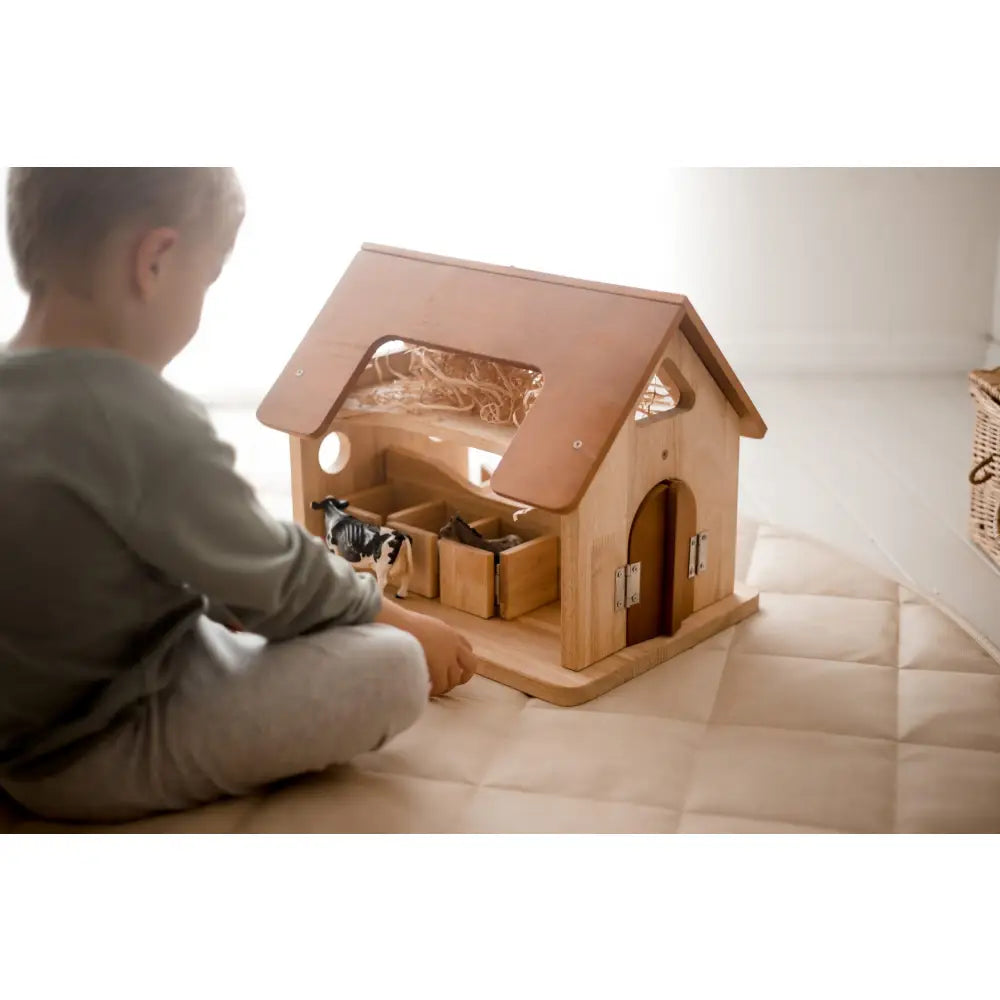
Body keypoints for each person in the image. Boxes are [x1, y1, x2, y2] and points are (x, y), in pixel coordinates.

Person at [0, 167, 478, 824]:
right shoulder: (134, 415)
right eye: (208, 281)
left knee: (208, 555)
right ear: (155, 260)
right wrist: (406, 623)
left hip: (37, 705)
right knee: (392, 667)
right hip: (92, 740)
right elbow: (287, 579)